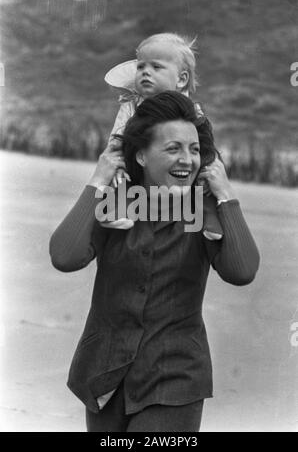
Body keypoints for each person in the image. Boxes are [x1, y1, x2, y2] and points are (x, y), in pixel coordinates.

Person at [49, 91, 260, 432]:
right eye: (173, 148)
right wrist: (98, 180)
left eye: (194, 150)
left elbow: (242, 271)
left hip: (175, 380)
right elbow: (64, 256)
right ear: (142, 157)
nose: (187, 160)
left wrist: (226, 195)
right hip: (104, 377)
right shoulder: (118, 204)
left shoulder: (202, 211)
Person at [104, 32, 223, 240]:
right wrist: (118, 163)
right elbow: (117, 137)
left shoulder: (189, 110)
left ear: (181, 78)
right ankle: (114, 208)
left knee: (208, 176)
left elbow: (204, 141)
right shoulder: (130, 107)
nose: (145, 72)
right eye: (141, 67)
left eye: (156, 67)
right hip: (138, 164)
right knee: (119, 176)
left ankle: (211, 218)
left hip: (180, 168)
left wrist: (207, 163)